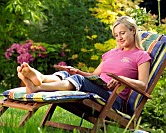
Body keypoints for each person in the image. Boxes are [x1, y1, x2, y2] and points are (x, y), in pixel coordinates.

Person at [17, 16, 151, 111]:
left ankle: (39, 88)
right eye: (116, 35)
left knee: (78, 80)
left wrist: (122, 79)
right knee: (67, 74)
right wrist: (78, 72)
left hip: (113, 99)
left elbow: (143, 85)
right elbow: (94, 76)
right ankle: (40, 78)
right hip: (100, 88)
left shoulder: (141, 56)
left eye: (122, 33)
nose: (119, 38)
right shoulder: (112, 53)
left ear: (133, 30)